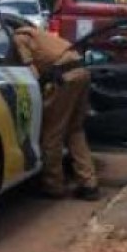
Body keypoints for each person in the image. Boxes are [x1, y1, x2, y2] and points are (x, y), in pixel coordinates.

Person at [13, 26, 100, 201]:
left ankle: (53, 185)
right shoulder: (41, 34)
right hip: (82, 72)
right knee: (75, 130)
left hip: (64, 79)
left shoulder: (19, 38)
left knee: (52, 133)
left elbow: (32, 73)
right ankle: (89, 183)